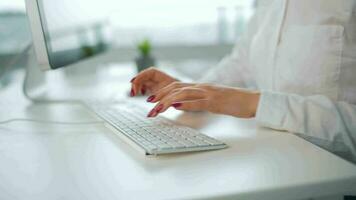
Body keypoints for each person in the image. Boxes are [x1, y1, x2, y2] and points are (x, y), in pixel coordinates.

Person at [130, 0, 356, 164]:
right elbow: (241, 62)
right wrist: (189, 91)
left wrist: (256, 103)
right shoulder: (269, 5)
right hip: (273, 163)